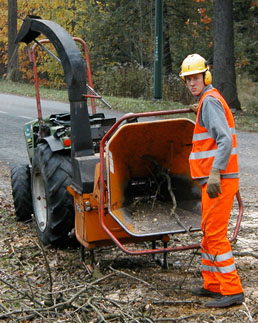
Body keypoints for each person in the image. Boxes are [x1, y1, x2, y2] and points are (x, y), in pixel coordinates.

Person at [179, 54, 244, 308]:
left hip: (219, 179)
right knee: (208, 232)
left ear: (205, 76)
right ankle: (212, 284)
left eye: (195, 78)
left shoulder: (210, 102)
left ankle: (232, 289)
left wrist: (216, 172)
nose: (191, 84)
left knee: (215, 234)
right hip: (213, 180)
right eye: (187, 80)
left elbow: (224, 139)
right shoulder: (208, 101)